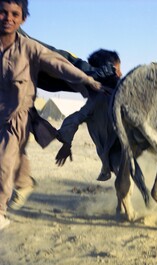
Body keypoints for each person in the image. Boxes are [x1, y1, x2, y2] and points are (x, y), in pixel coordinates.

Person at [0, 0, 109, 230]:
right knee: (11, 151)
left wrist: (92, 76)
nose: (7, 17)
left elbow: (58, 60)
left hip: (19, 106)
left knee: (6, 153)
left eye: (13, 14)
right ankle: (24, 182)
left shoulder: (24, 44)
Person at [55, 49, 122, 181]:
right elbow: (74, 119)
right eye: (116, 70)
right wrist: (66, 143)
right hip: (113, 153)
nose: (120, 74)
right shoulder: (97, 99)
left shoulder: (121, 91)